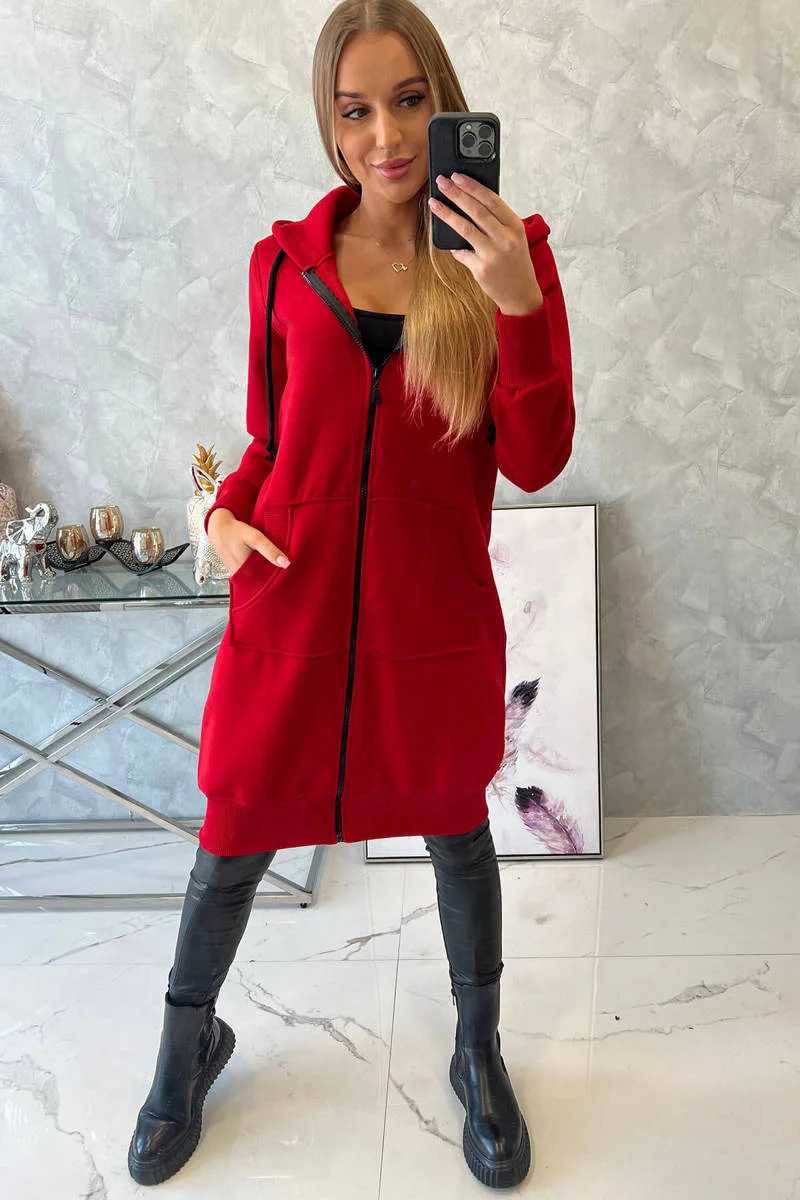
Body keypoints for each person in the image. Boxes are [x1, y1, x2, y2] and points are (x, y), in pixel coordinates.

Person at [128, 0, 574, 1189]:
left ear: (446, 101)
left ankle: (477, 1054)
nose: (387, 136)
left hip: (430, 620)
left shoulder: (506, 260)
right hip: (294, 608)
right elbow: (269, 443)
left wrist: (518, 304)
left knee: (453, 828)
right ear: (328, 126)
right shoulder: (282, 265)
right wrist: (218, 515)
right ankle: (183, 1054)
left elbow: (536, 458)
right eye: (356, 109)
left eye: (410, 101)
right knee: (233, 829)